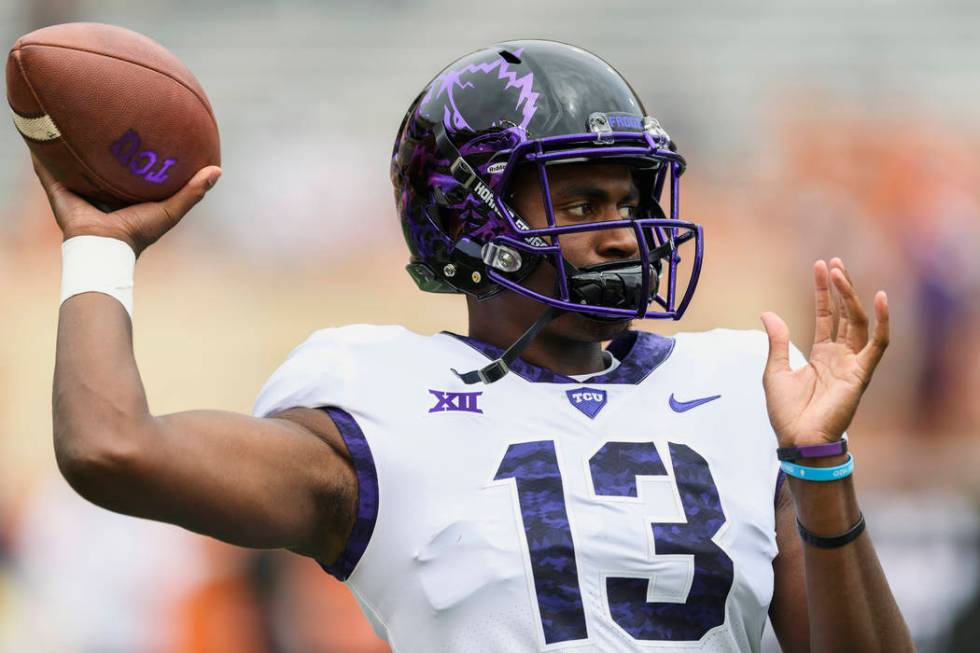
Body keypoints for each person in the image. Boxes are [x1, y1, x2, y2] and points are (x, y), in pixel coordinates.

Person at [39, 40, 911, 652]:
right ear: (467, 222)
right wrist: (100, 249)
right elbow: (111, 446)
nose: (624, 235)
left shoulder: (740, 383)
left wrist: (819, 465)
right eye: (580, 206)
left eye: (629, 201)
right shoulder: (379, 402)